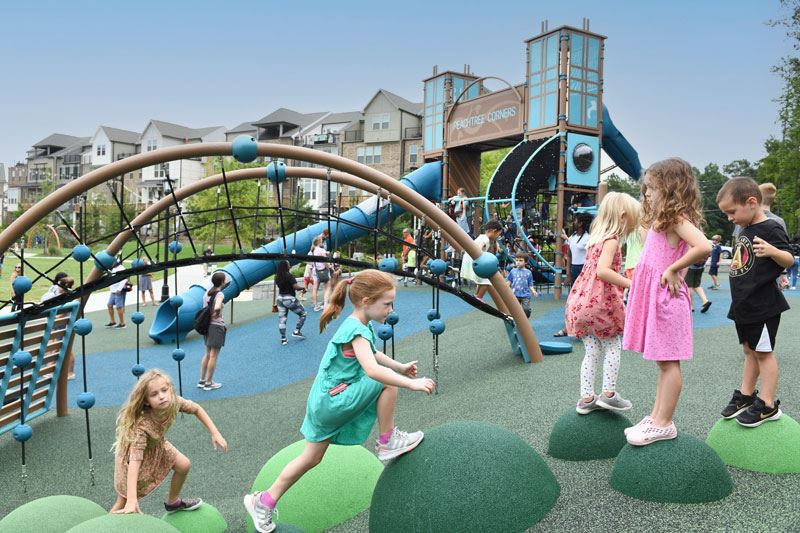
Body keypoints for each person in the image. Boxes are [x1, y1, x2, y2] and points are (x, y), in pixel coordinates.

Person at [242, 270, 435, 532]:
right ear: (366, 301)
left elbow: (373, 354)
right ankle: (388, 440)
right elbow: (372, 370)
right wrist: (410, 382)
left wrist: (399, 366)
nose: (391, 309)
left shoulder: (357, 324)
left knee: (310, 458)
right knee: (384, 380)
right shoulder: (357, 330)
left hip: (325, 401)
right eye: (387, 303)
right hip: (335, 400)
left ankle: (263, 501)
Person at [623, 158, 711, 445]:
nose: (646, 193)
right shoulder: (664, 219)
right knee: (664, 364)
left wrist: (673, 268)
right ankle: (656, 416)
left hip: (667, 299)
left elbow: (704, 245)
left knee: (669, 364)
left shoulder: (678, 218)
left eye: (651, 188)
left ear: (670, 187)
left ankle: (664, 422)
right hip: (658, 296)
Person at [716, 177, 793, 427]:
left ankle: (768, 404)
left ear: (751, 202)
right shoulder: (744, 228)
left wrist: (772, 251)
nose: (729, 218)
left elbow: (789, 259)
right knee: (749, 350)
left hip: (763, 304)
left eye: (731, 212)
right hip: (744, 304)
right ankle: (746, 396)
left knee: (764, 353)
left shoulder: (771, 228)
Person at [110, 369, 227, 514]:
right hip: (132, 458)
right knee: (123, 501)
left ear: (170, 390)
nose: (161, 396)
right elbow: (135, 459)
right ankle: (104, 525)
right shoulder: (141, 425)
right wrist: (132, 499)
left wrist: (215, 433)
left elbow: (196, 409)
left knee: (183, 465)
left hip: (157, 445)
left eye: (164, 390)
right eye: (154, 394)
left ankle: (173, 502)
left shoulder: (174, 402)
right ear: (146, 401)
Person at [566, 192, 641, 415]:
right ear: (623, 216)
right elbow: (603, 271)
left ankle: (586, 397)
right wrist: (631, 284)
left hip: (580, 302)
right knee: (612, 346)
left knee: (591, 352)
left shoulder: (594, 240)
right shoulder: (611, 241)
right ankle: (608, 394)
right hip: (600, 303)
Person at [553, 214, 592, 337]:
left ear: (581, 223)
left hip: (585, 269)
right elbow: (569, 256)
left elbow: (592, 257)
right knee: (573, 299)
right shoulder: (573, 237)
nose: (573, 222)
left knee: (584, 300)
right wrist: (568, 274)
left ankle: (583, 326)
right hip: (575, 269)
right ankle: (571, 325)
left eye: (575, 220)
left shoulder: (588, 238)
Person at [41, 272, 76, 380]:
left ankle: (55, 370)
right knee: (61, 347)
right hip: (62, 324)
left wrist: (53, 319)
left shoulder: (65, 296)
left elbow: (61, 314)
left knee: (61, 348)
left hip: (63, 325)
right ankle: (67, 371)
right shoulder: (63, 294)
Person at [460, 220, 504, 302]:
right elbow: (479, 248)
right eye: (498, 234)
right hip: (473, 261)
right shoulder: (485, 239)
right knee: (487, 281)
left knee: (482, 280)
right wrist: (480, 256)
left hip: (469, 260)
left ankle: (476, 296)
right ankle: (479, 297)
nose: (498, 236)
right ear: (494, 231)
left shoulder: (481, 236)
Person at [198, 272, 227, 391]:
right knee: (214, 355)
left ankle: (202, 380)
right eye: (225, 280)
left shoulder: (207, 293)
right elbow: (217, 306)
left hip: (207, 326)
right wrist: (216, 313)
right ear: (222, 282)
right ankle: (209, 383)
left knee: (207, 353)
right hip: (216, 326)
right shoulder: (220, 294)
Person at [275, 260, 307, 346]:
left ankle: (283, 339)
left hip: (280, 299)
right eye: (289, 264)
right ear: (286, 266)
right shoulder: (289, 276)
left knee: (282, 320)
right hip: (289, 299)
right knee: (303, 314)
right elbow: (295, 287)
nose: (290, 265)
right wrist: (303, 288)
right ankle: (296, 331)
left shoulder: (277, 277)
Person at [506, 253, 538, 318]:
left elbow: (530, 284)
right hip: (515, 294)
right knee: (515, 309)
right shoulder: (513, 271)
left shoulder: (528, 272)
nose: (518, 262)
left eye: (520, 260)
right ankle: (516, 321)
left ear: (525, 262)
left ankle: (526, 319)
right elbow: (509, 281)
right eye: (517, 260)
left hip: (525, 295)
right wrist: (506, 288)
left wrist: (533, 291)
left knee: (526, 309)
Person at [106, 259, 128, 329]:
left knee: (119, 307)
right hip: (113, 290)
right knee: (109, 305)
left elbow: (125, 278)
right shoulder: (113, 269)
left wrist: (119, 289)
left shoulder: (122, 268)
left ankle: (122, 323)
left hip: (118, 290)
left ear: (116, 262)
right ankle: (112, 322)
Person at [309, 236, 330, 312]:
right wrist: (329, 268)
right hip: (323, 270)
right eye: (321, 241)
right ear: (319, 242)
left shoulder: (312, 251)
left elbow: (309, 262)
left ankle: (316, 306)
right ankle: (325, 304)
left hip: (315, 271)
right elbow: (325, 262)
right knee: (327, 287)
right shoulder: (321, 250)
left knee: (315, 289)